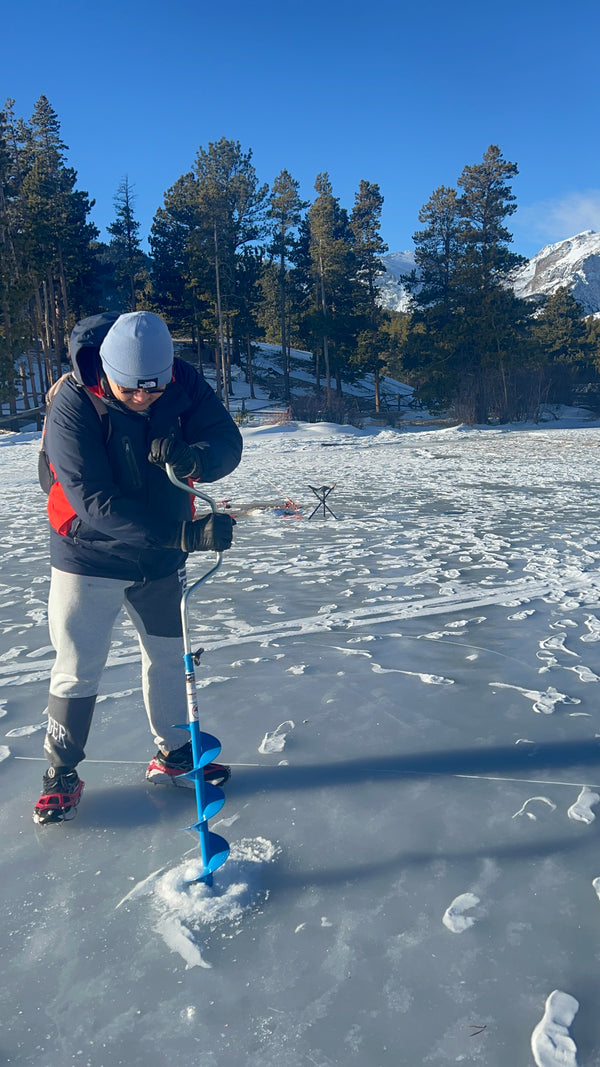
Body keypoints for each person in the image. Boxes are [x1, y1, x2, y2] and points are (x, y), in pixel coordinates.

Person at [33, 311, 242, 825]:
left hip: (162, 559)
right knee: (78, 665)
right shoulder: (72, 402)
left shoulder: (183, 380)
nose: (144, 398)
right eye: (131, 390)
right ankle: (61, 772)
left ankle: (174, 754)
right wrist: (180, 535)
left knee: (170, 657)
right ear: (106, 370)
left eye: (155, 388)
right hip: (89, 556)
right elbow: (94, 501)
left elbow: (226, 441)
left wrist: (196, 459)